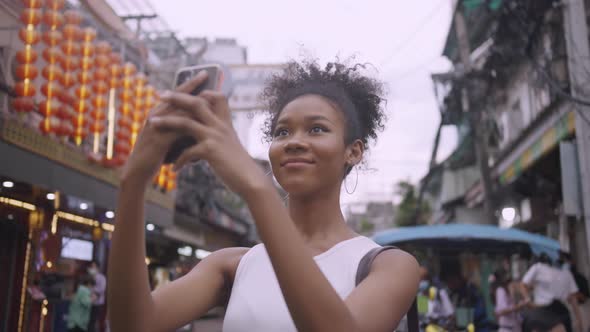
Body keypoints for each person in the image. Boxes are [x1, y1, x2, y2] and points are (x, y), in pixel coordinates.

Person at [107, 59, 421, 332]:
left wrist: (256, 188)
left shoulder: (390, 266)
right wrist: (132, 184)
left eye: (317, 129)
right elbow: (133, 325)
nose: (294, 141)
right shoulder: (233, 265)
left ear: (353, 151)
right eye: (282, 132)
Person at [520, 253, 582, 332]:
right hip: (559, 311)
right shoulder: (567, 273)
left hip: (542, 310)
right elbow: (573, 299)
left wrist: (528, 301)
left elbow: (522, 285)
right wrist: (579, 321)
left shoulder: (538, 267)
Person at [87, 261, 106, 332]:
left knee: (94, 322)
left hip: (98, 304)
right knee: (88, 323)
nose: (92, 268)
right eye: (91, 266)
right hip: (88, 303)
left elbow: (101, 290)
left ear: (97, 268)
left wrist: (92, 290)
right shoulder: (88, 277)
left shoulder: (102, 278)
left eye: (93, 266)